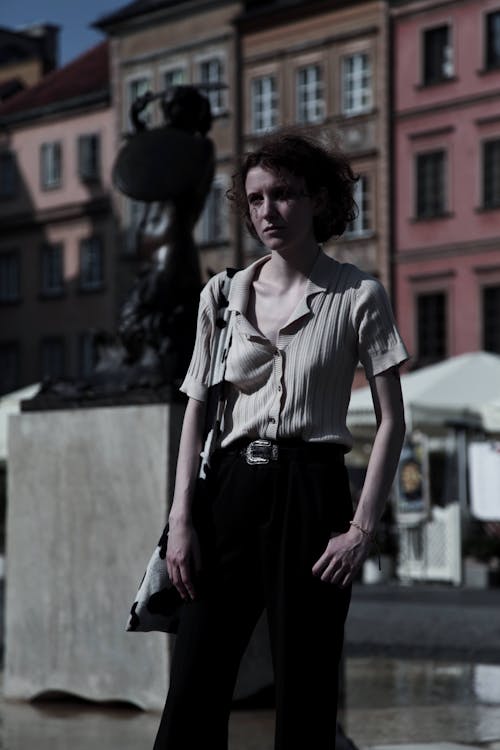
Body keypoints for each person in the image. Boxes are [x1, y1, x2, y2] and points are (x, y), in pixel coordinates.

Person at [153, 130, 408, 750]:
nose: (269, 210)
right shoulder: (221, 295)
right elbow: (196, 409)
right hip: (230, 492)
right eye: (257, 198)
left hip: (314, 493)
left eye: (285, 195)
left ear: (319, 200)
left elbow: (393, 421)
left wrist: (360, 529)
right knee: (192, 688)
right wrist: (181, 517)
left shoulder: (357, 295)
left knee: (307, 691)